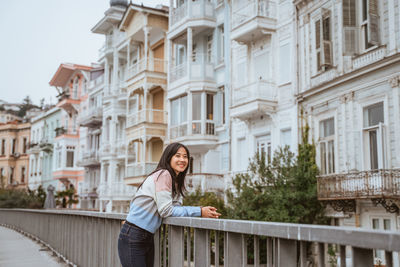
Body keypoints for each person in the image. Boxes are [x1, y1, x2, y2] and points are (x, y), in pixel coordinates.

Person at [118, 142, 221, 267]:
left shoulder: (175, 181)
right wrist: (200, 211)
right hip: (134, 234)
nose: (182, 160)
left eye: (185, 157)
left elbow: (175, 208)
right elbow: (166, 211)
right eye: (178, 156)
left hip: (145, 235)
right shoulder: (164, 175)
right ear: (169, 157)